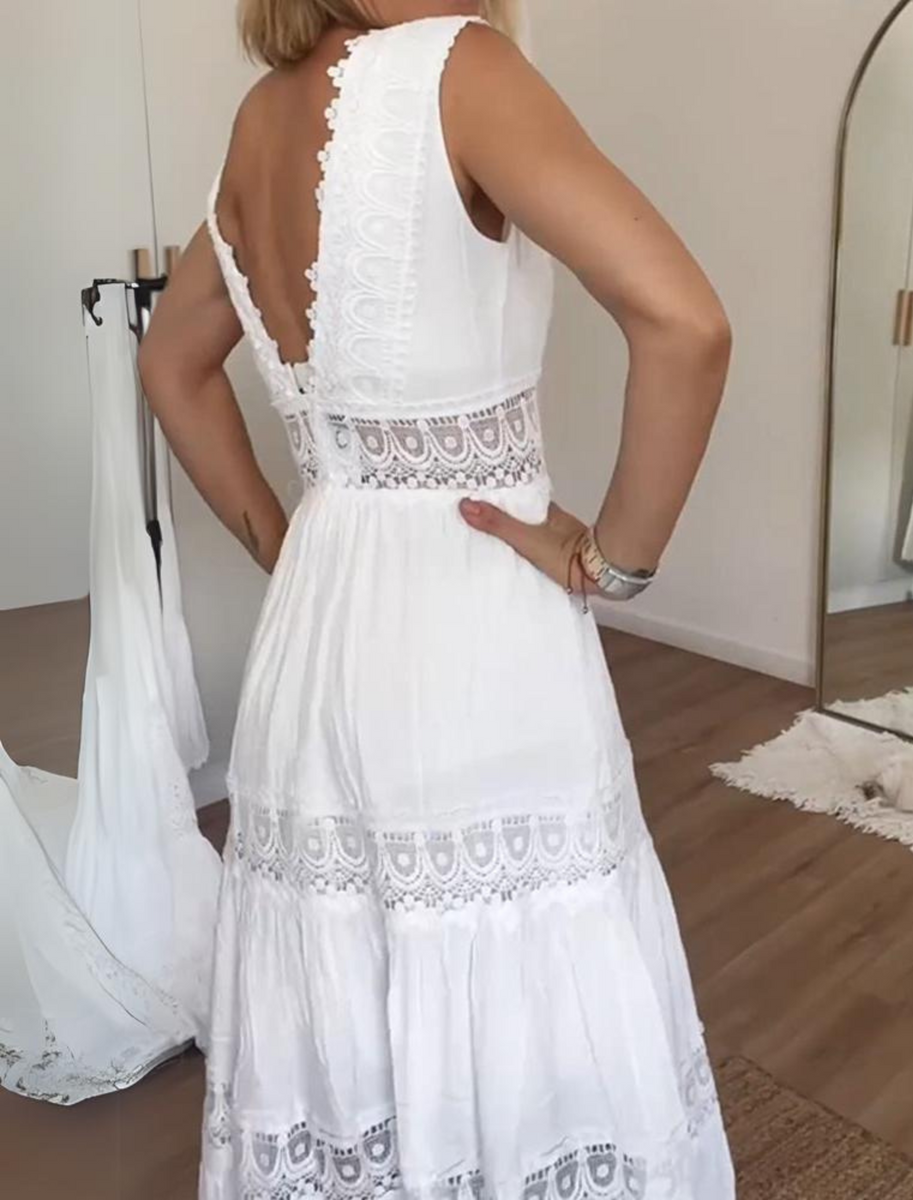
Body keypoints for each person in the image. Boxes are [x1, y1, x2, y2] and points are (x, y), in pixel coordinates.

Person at [139, 1, 734, 1195]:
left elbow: (169, 363)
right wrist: (611, 561)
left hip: (319, 633)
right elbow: (687, 323)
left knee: (351, 964)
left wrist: (290, 544)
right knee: (505, 968)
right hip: (473, 628)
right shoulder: (466, 69)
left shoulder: (259, 119)